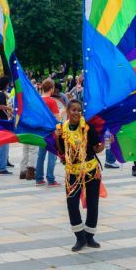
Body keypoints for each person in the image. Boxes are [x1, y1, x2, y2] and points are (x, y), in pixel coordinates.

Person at [56, 99, 104, 252]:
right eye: (73, 110)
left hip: (91, 170)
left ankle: (89, 236)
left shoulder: (88, 128)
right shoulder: (62, 129)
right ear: (68, 112)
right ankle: (80, 237)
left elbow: (96, 149)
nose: (76, 113)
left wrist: (103, 145)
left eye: (79, 110)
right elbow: (61, 152)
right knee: (71, 203)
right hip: (73, 172)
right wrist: (57, 137)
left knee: (92, 203)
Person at [37, 79, 61, 186]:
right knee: (52, 154)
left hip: (40, 130)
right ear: (51, 89)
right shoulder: (51, 101)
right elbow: (57, 118)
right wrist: (63, 112)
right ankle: (51, 179)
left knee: (41, 155)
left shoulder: (38, 100)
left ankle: (39, 178)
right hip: (51, 131)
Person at [0, 76, 13, 174]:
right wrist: (10, 109)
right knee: (3, 146)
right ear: (6, 85)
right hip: (1, 123)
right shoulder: (1, 94)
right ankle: (1, 168)